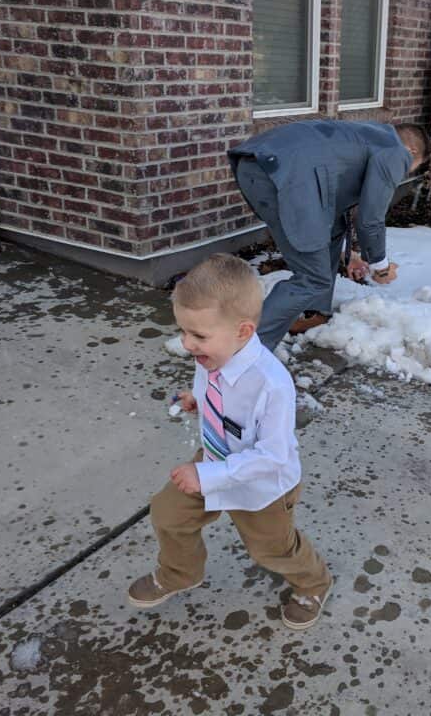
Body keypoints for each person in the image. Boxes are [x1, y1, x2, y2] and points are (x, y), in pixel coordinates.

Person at [128, 254, 333, 629]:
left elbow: (273, 455)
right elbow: (213, 393)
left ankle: (314, 582)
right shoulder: (211, 356)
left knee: (271, 549)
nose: (188, 344)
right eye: (183, 331)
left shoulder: (271, 385)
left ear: (243, 332)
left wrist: (206, 478)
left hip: (262, 486)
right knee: (168, 514)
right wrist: (196, 401)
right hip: (213, 458)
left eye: (199, 336)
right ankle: (180, 572)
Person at [229, 120, 429, 350]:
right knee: (313, 278)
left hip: (253, 164)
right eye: (411, 168)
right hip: (287, 176)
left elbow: (334, 213)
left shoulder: (364, 136)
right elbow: (370, 218)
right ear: (412, 152)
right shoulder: (396, 151)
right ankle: (245, 351)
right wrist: (380, 265)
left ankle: (314, 312)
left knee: (332, 233)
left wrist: (350, 254)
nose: (404, 172)